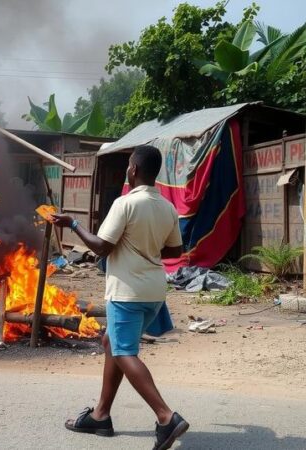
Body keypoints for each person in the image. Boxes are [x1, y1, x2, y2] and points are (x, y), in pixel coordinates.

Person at [52, 145, 189, 450]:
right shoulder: (167, 208)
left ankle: (167, 417)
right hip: (154, 293)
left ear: (134, 170)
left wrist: (73, 224)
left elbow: (101, 246)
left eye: (129, 164)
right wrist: (144, 245)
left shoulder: (125, 203)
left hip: (127, 292)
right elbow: (175, 252)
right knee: (110, 343)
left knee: (124, 352)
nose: (128, 168)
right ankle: (101, 415)